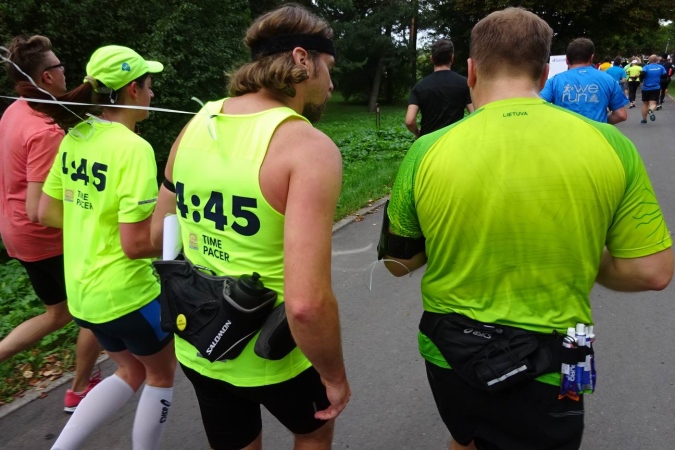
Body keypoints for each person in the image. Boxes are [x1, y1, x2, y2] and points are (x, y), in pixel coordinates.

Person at [378, 7, 673, 450]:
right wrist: (578, 250)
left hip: (449, 351)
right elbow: (652, 271)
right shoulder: (612, 145)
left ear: (472, 70)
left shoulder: (425, 150)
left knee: (466, 436)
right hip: (557, 357)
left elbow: (397, 263)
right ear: (543, 73)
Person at [150, 4, 350, 450]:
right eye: (329, 67)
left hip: (199, 341)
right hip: (274, 355)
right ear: (302, 59)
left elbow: (155, 236)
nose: (331, 84)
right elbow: (306, 305)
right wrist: (334, 375)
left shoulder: (197, 124)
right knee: (314, 432)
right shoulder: (307, 147)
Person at [17, 45, 176, 449]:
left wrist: (95, 219)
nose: (153, 93)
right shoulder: (133, 148)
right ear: (132, 90)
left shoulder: (77, 135)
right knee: (160, 375)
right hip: (127, 294)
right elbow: (135, 244)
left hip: (84, 295)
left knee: (130, 371)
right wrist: (181, 240)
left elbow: (47, 211)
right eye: (149, 84)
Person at [0, 34, 102, 413]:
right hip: (42, 237)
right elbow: (38, 208)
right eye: (59, 66)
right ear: (46, 76)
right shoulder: (43, 131)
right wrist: (92, 222)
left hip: (16, 231)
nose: (65, 71)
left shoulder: (17, 109)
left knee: (58, 314)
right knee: (94, 311)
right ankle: (79, 389)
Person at [540, 38, 628, 124]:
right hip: (595, 132)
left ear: (566, 60)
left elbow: (539, 107)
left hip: (564, 132)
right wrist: (602, 123)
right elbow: (621, 115)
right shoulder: (608, 80)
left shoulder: (554, 81)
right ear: (591, 58)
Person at [405, 39, 473, 138]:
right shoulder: (465, 83)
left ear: (432, 59)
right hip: (455, 140)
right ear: (452, 58)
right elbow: (475, 113)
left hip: (428, 141)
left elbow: (409, 121)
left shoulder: (419, 87)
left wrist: (417, 133)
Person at [639, 54, 666, 124]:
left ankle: (644, 119)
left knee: (645, 104)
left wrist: (641, 80)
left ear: (649, 60)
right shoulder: (661, 67)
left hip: (646, 88)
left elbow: (642, 74)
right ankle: (650, 110)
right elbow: (664, 76)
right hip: (656, 87)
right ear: (657, 60)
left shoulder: (646, 67)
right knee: (653, 103)